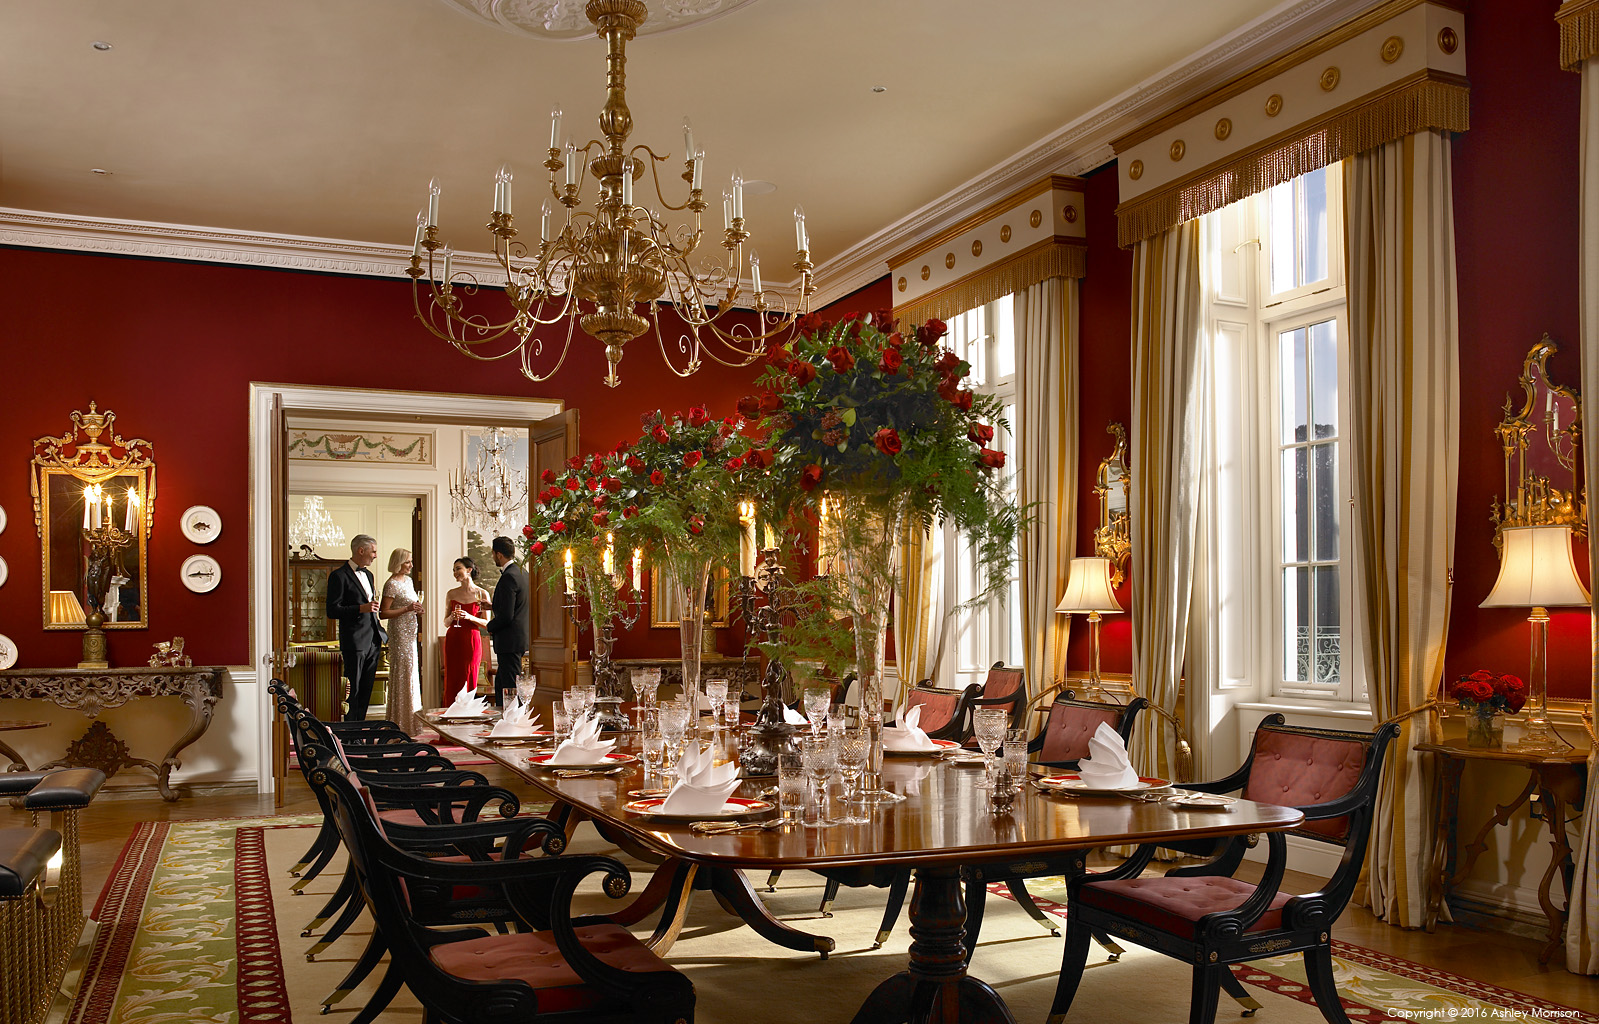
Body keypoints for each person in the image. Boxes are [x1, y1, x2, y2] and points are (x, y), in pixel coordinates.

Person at [326, 535, 385, 722]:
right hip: (354, 641)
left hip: (373, 640)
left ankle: (359, 729)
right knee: (353, 690)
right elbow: (332, 610)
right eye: (373, 551)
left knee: (366, 688)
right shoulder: (338, 576)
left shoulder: (369, 575)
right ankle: (351, 732)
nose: (375, 556)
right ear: (361, 551)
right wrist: (361, 608)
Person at [379, 547, 425, 734]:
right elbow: (383, 613)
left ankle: (411, 724)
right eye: (407, 562)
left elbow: (411, 605)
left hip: (411, 633)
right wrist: (407, 609)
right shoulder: (391, 584)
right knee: (402, 675)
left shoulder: (409, 581)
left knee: (411, 675)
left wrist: (418, 610)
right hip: (399, 635)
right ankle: (398, 724)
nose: (411, 565)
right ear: (398, 562)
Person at [484, 536, 529, 705]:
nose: (493, 557)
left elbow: (507, 616)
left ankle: (512, 724)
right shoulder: (523, 572)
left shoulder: (508, 577)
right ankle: (502, 721)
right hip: (518, 639)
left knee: (510, 688)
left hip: (509, 641)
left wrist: (490, 626)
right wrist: (493, 606)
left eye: (493, 554)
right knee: (503, 686)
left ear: (499, 554)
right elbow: (517, 606)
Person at [443, 556, 490, 707]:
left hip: (471, 640)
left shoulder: (482, 594)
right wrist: (452, 616)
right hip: (453, 639)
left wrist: (469, 616)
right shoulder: (451, 594)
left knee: (469, 675)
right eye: (454, 570)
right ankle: (450, 714)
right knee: (453, 678)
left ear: (469, 570)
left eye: (458, 569)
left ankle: (467, 713)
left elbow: (487, 623)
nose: (455, 573)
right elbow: (445, 622)